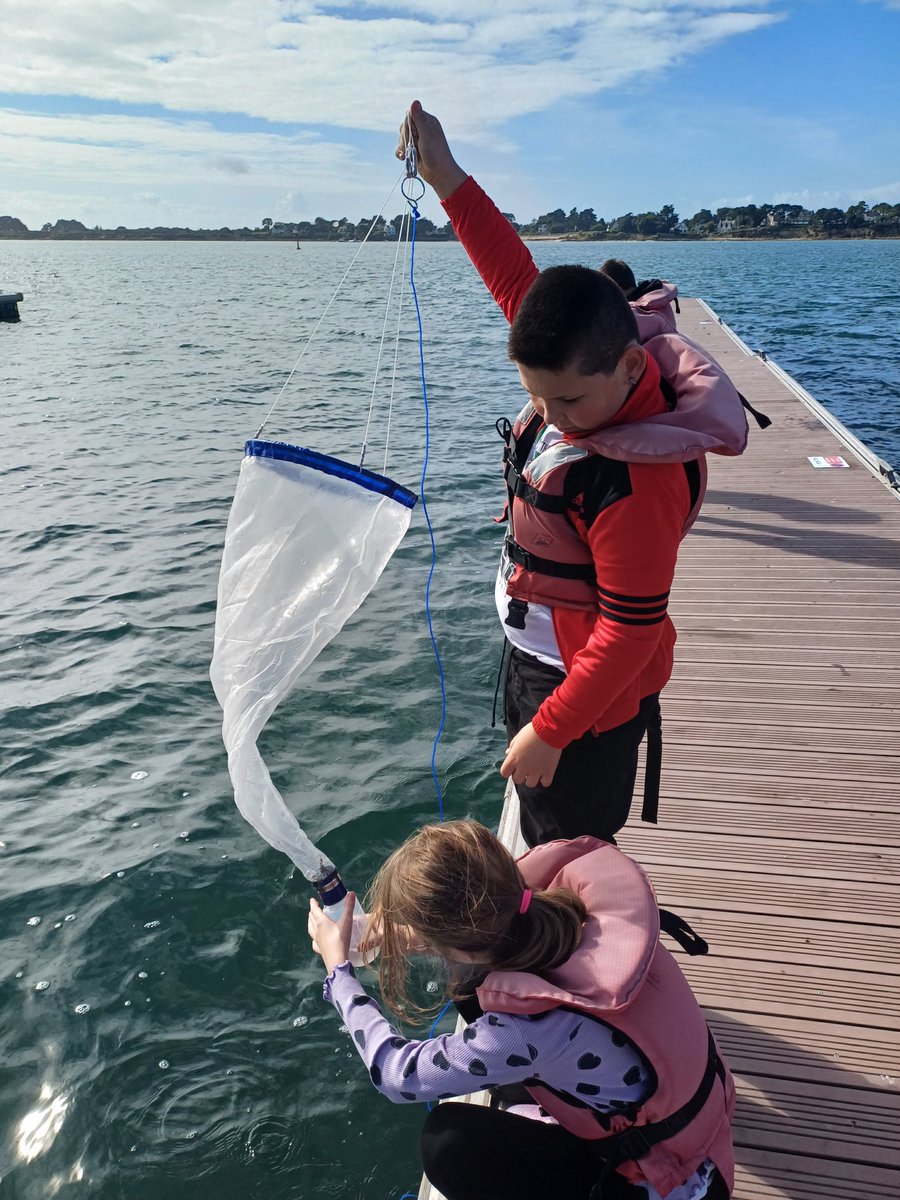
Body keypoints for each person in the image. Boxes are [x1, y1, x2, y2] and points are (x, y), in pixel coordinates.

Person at [396, 102, 750, 846]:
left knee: (571, 852)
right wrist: (445, 175)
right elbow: (512, 274)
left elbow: (629, 632)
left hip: (584, 698)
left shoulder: (633, 482)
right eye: (537, 397)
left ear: (631, 366)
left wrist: (552, 729)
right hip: (543, 661)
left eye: (568, 401)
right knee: (543, 834)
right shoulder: (581, 370)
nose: (552, 417)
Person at [308, 819, 735, 1200]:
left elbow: (396, 1074)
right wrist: (403, 936)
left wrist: (339, 973)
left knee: (446, 1143)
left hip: (675, 1181)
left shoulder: (528, 1030)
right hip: (698, 1123)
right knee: (474, 992)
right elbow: (483, 941)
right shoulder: (575, 913)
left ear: (458, 945)